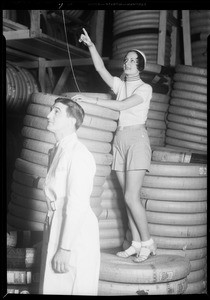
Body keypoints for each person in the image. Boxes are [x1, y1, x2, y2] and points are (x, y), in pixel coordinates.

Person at [72, 28, 157, 263]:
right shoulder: (120, 85)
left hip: (137, 139)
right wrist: (91, 45)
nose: (128, 62)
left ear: (140, 66)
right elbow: (100, 69)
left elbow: (121, 107)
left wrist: (89, 99)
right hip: (119, 140)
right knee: (124, 197)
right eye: (126, 59)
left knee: (132, 197)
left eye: (133, 60)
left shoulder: (145, 89)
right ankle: (136, 243)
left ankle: (148, 243)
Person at [39, 97, 100, 295]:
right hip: (58, 224)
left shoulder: (79, 154)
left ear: (72, 119)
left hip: (75, 234)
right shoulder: (57, 150)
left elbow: (77, 205)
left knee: (71, 286)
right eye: (51, 110)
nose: (49, 115)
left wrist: (65, 248)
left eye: (56, 111)